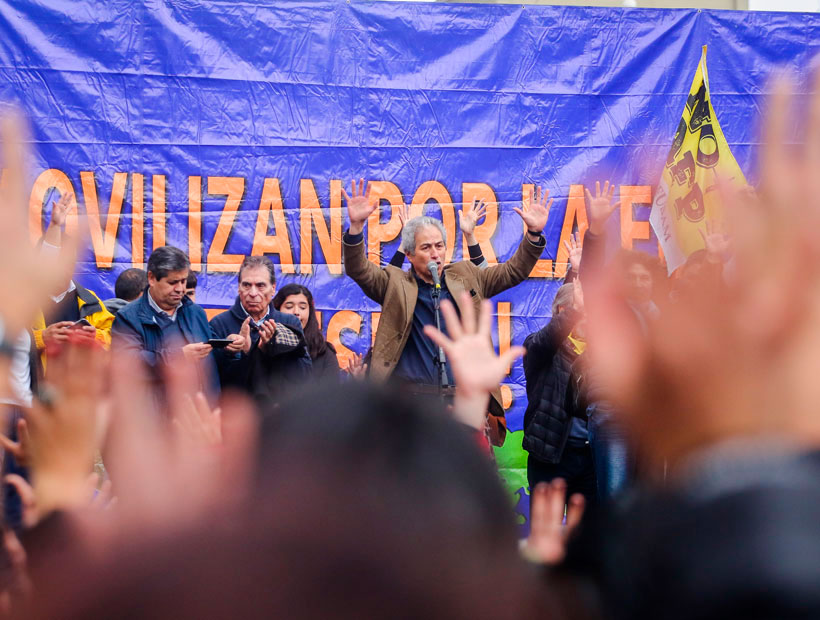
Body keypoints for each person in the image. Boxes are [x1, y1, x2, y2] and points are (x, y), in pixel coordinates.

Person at [342, 179, 550, 446]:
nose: (436, 254)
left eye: (439, 246)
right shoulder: (394, 283)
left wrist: (533, 235)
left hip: (462, 407)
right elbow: (359, 269)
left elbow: (513, 272)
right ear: (408, 254)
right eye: (426, 248)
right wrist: (356, 228)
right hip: (410, 409)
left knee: (462, 484)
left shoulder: (466, 275)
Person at [110, 246, 224, 396]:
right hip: (154, 417)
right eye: (173, 282)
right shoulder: (127, 318)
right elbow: (128, 365)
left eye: (183, 281)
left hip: (199, 414)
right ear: (151, 278)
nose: (180, 289)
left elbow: (211, 362)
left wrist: (230, 349)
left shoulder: (196, 313)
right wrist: (178, 357)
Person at [521, 279, 595, 508]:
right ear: (563, 311)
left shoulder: (600, 350)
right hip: (550, 458)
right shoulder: (539, 347)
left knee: (587, 538)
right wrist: (575, 310)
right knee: (546, 535)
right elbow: (548, 339)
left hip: (591, 458)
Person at [209, 256, 310, 394]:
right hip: (238, 411)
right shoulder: (219, 324)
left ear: (273, 288)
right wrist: (238, 353)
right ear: (239, 287)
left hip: (280, 411)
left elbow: (305, 374)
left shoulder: (289, 323)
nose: (253, 293)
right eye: (246, 285)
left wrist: (273, 349)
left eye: (260, 285)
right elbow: (213, 383)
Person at [32, 192, 114, 356]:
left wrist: (94, 336)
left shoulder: (89, 300)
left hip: (76, 379)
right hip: (35, 380)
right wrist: (41, 338)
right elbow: (8, 342)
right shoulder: (22, 301)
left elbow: (112, 340)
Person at [273, 284, 339, 380]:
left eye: (302, 307)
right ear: (277, 310)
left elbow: (332, 391)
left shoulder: (324, 352)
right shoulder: (264, 347)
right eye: (289, 307)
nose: (296, 312)